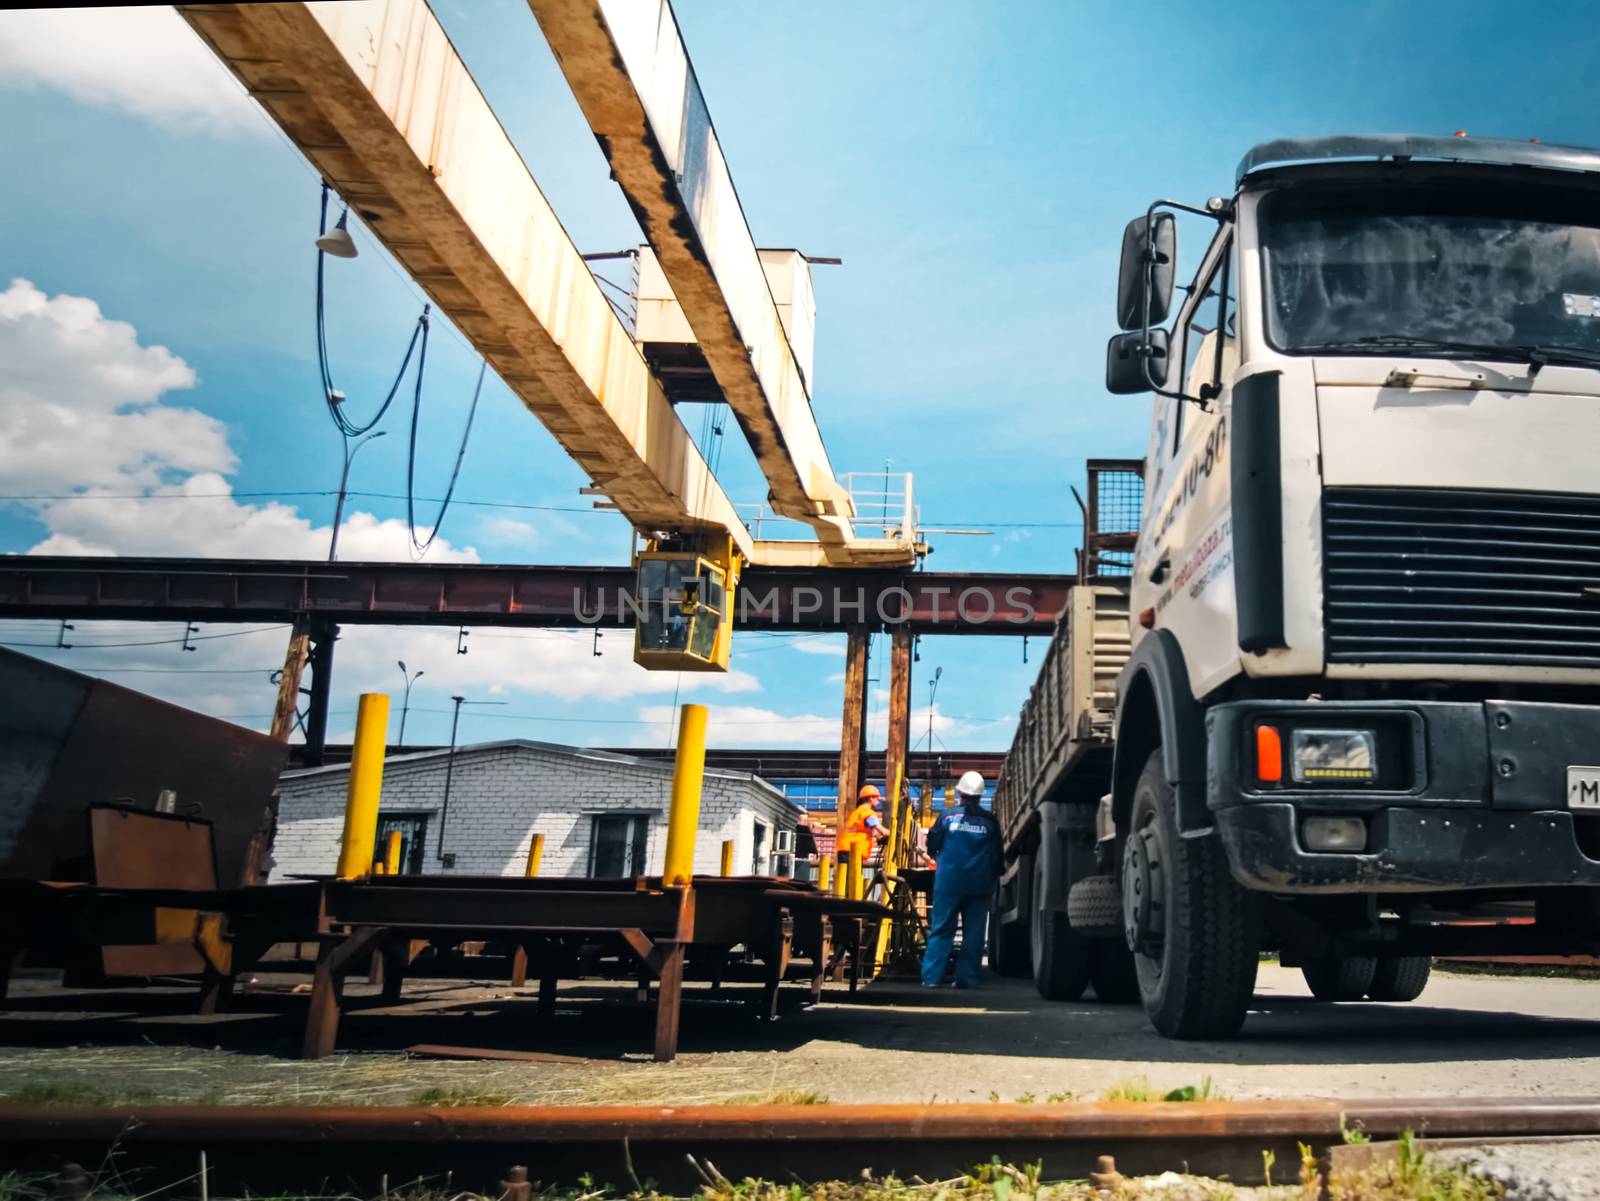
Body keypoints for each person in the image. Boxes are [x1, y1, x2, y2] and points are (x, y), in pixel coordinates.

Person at [920, 770, 1002, 988]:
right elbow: (997, 856)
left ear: (960, 792)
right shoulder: (990, 821)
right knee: (974, 934)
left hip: (949, 882)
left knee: (941, 929)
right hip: (979, 884)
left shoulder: (947, 816)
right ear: (980, 795)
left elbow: (932, 844)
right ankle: (967, 979)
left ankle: (931, 979)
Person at [837, 784, 888, 873]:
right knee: (852, 882)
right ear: (871, 798)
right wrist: (895, 834)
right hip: (852, 851)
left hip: (846, 849)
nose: (878, 800)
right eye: (876, 797)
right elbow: (881, 830)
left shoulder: (858, 812)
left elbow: (867, 831)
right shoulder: (867, 813)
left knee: (846, 882)